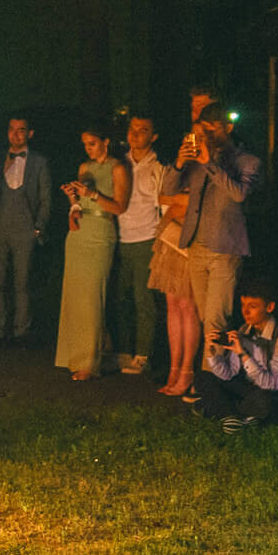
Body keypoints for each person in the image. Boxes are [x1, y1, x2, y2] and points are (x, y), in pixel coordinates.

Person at [161, 100, 262, 347]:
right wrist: (179, 163)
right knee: (207, 318)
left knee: (217, 322)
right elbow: (166, 189)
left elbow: (239, 195)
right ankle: (217, 375)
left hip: (225, 249)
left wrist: (209, 163)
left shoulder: (247, 161)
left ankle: (213, 380)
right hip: (196, 247)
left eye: (211, 129)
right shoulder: (196, 158)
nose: (205, 135)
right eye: (202, 130)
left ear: (228, 127)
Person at [191, 279, 278, 432]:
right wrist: (211, 352)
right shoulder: (245, 330)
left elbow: (274, 384)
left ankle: (220, 410)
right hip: (254, 389)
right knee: (203, 378)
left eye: (252, 306)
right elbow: (229, 373)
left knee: (265, 400)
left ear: (269, 307)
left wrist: (242, 353)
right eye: (243, 305)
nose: (245, 312)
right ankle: (232, 417)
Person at [55, 121, 127, 380]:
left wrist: (93, 194)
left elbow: (119, 207)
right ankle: (74, 355)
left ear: (106, 142)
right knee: (74, 296)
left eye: (93, 143)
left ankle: (89, 362)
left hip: (100, 234)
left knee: (92, 297)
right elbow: (81, 201)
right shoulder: (85, 167)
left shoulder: (118, 168)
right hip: (79, 233)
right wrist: (73, 201)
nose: (88, 148)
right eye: (85, 144)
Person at [0, 117, 55, 340]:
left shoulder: (39, 162)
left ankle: (21, 331)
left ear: (30, 134)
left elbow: (46, 198)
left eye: (21, 130)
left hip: (25, 228)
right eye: (11, 130)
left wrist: (38, 228)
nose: (15, 135)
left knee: (22, 283)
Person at [112, 115, 164, 377]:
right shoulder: (120, 162)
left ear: (153, 137)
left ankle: (144, 354)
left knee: (144, 300)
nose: (136, 134)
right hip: (119, 237)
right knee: (120, 297)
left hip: (145, 238)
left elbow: (162, 205)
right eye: (133, 129)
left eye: (143, 130)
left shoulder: (158, 166)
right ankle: (122, 350)